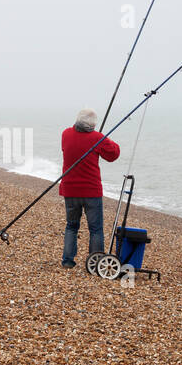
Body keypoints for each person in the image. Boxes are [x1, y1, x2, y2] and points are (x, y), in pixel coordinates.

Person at [59, 108, 121, 268]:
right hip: (91, 191)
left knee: (71, 226)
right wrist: (102, 138)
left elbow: (71, 147)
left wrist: (98, 138)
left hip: (70, 190)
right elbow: (113, 155)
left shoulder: (65, 134)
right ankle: (95, 264)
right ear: (93, 124)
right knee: (95, 229)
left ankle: (67, 261)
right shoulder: (97, 138)